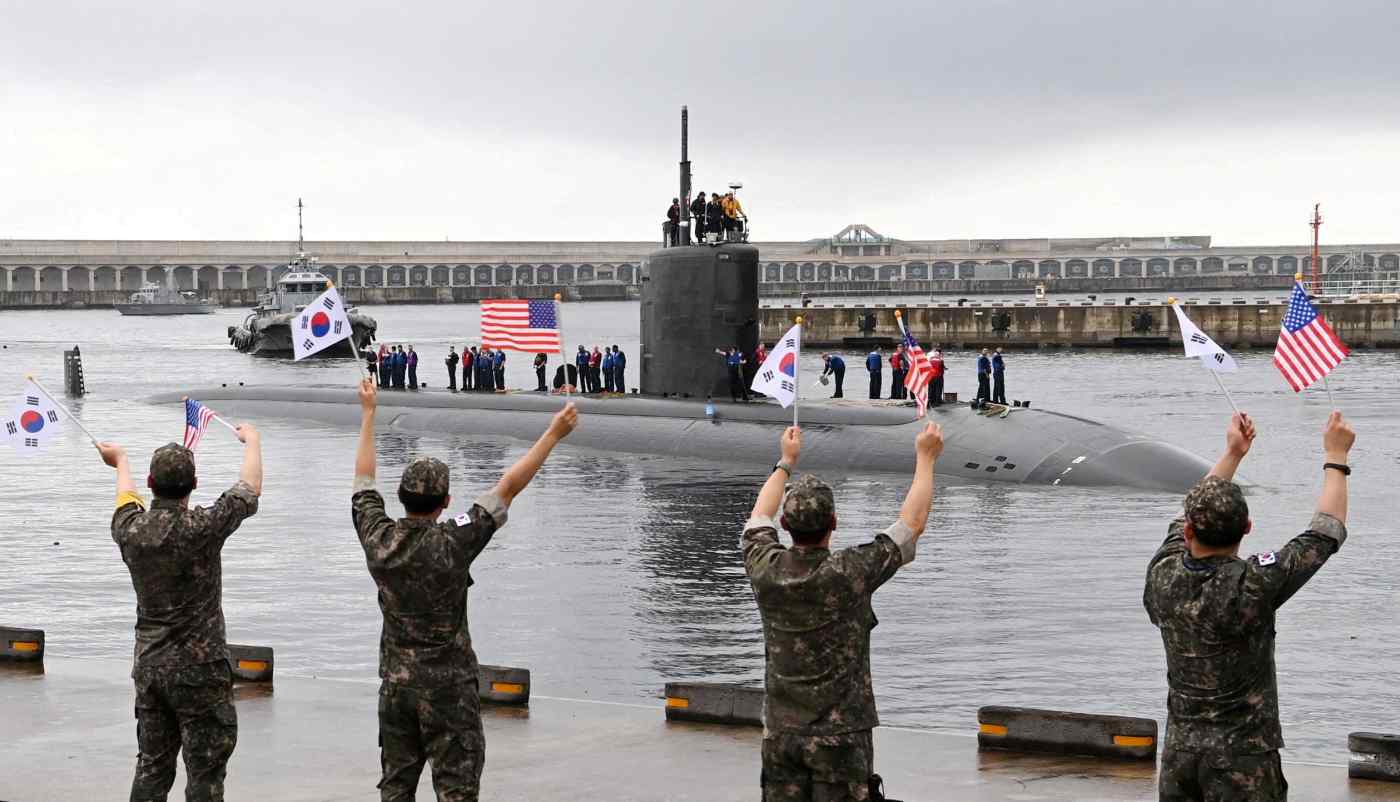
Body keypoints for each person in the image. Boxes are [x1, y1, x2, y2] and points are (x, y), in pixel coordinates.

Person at [352, 378, 578, 801]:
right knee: (457, 790)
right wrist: (553, 433)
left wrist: (368, 414)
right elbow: (507, 487)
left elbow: (364, 481)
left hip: (397, 688)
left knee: (396, 788)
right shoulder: (454, 540)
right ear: (446, 501)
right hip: (449, 691)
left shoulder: (377, 539)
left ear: (400, 498)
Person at [1145, 411, 1354, 802]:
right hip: (1244, 759)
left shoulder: (1163, 574)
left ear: (1188, 531)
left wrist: (1232, 455)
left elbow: (1183, 516)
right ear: (1247, 528)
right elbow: (1326, 531)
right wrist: (1336, 456)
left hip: (1180, 756)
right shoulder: (1254, 583)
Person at [742, 422, 940, 802]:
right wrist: (926, 457)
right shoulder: (849, 572)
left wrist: (786, 461)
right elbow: (912, 524)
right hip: (842, 739)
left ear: (786, 526)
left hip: (781, 735)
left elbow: (758, 517)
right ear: (833, 523)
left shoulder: (765, 566)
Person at [100, 426, 263, 802]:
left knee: (152, 767)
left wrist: (120, 460)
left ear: (150, 482)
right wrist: (252, 442)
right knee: (205, 775)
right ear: (195, 484)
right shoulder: (202, 527)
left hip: (151, 668)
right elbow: (249, 488)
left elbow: (125, 499)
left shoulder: (130, 529)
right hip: (200, 671)